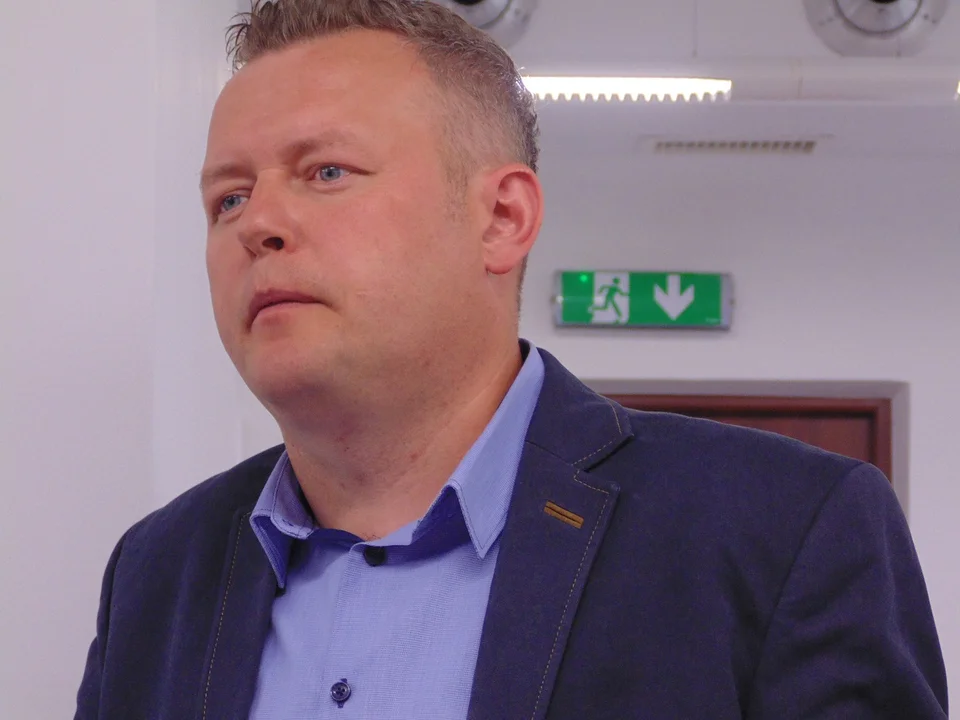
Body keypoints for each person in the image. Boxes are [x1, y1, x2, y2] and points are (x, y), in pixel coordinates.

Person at [75, 0, 948, 717]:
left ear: (501, 219)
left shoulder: (782, 530)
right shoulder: (156, 575)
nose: (258, 224)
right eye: (228, 198)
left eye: (327, 172)